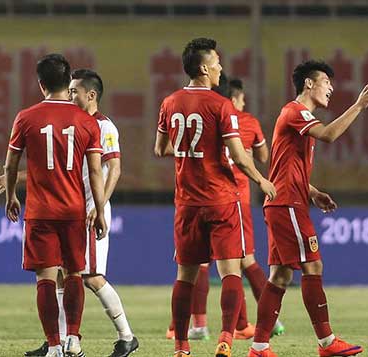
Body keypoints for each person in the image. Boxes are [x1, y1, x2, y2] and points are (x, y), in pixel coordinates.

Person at [0, 69, 139, 357]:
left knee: (92, 277)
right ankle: (59, 341)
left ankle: (126, 336)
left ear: (91, 95)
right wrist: (18, 178)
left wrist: (97, 206)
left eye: (74, 91)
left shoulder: (104, 126)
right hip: (73, 208)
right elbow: (52, 168)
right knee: (63, 276)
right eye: (68, 90)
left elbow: (113, 169)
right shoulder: (74, 123)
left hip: (87, 209)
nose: (69, 95)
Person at [247, 60, 368, 357]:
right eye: (326, 82)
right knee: (313, 265)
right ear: (309, 83)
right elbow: (330, 135)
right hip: (287, 204)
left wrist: (313, 192)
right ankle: (327, 342)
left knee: (280, 275)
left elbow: (283, 168)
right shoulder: (296, 112)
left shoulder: (295, 116)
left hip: (287, 200)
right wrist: (359, 106)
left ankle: (259, 347)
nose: (331, 88)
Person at [154, 38, 276, 357]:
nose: (221, 67)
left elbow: (160, 148)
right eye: (218, 62)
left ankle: (182, 346)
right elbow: (238, 153)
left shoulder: (169, 102)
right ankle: (225, 339)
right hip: (222, 198)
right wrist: (261, 179)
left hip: (187, 201)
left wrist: (188, 151)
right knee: (230, 271)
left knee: (186, 275)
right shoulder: (221, 105)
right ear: (205, 68)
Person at [4, 54, 107, 357]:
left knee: (46, 278)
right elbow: (96, 172)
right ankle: (73, 338)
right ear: (67, 83)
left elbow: (11, 166)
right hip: (74, 211)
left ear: (40, 84)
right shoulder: (87, 122)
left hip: (40, 212)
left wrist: (11, 195)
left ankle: (52, 345)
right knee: (74, 274)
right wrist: (99, 210)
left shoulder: (26, 117)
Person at [168, 76, 284, 342]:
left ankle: (196, 329)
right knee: (242, 261)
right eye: (242, 99)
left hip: (194, 197)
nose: (243, 103)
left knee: (199, 266)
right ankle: (259, 322)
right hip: (232, 198)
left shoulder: (188, 110)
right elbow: (262, 156)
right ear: (233, 99)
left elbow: (166, 147)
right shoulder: (244, 120)